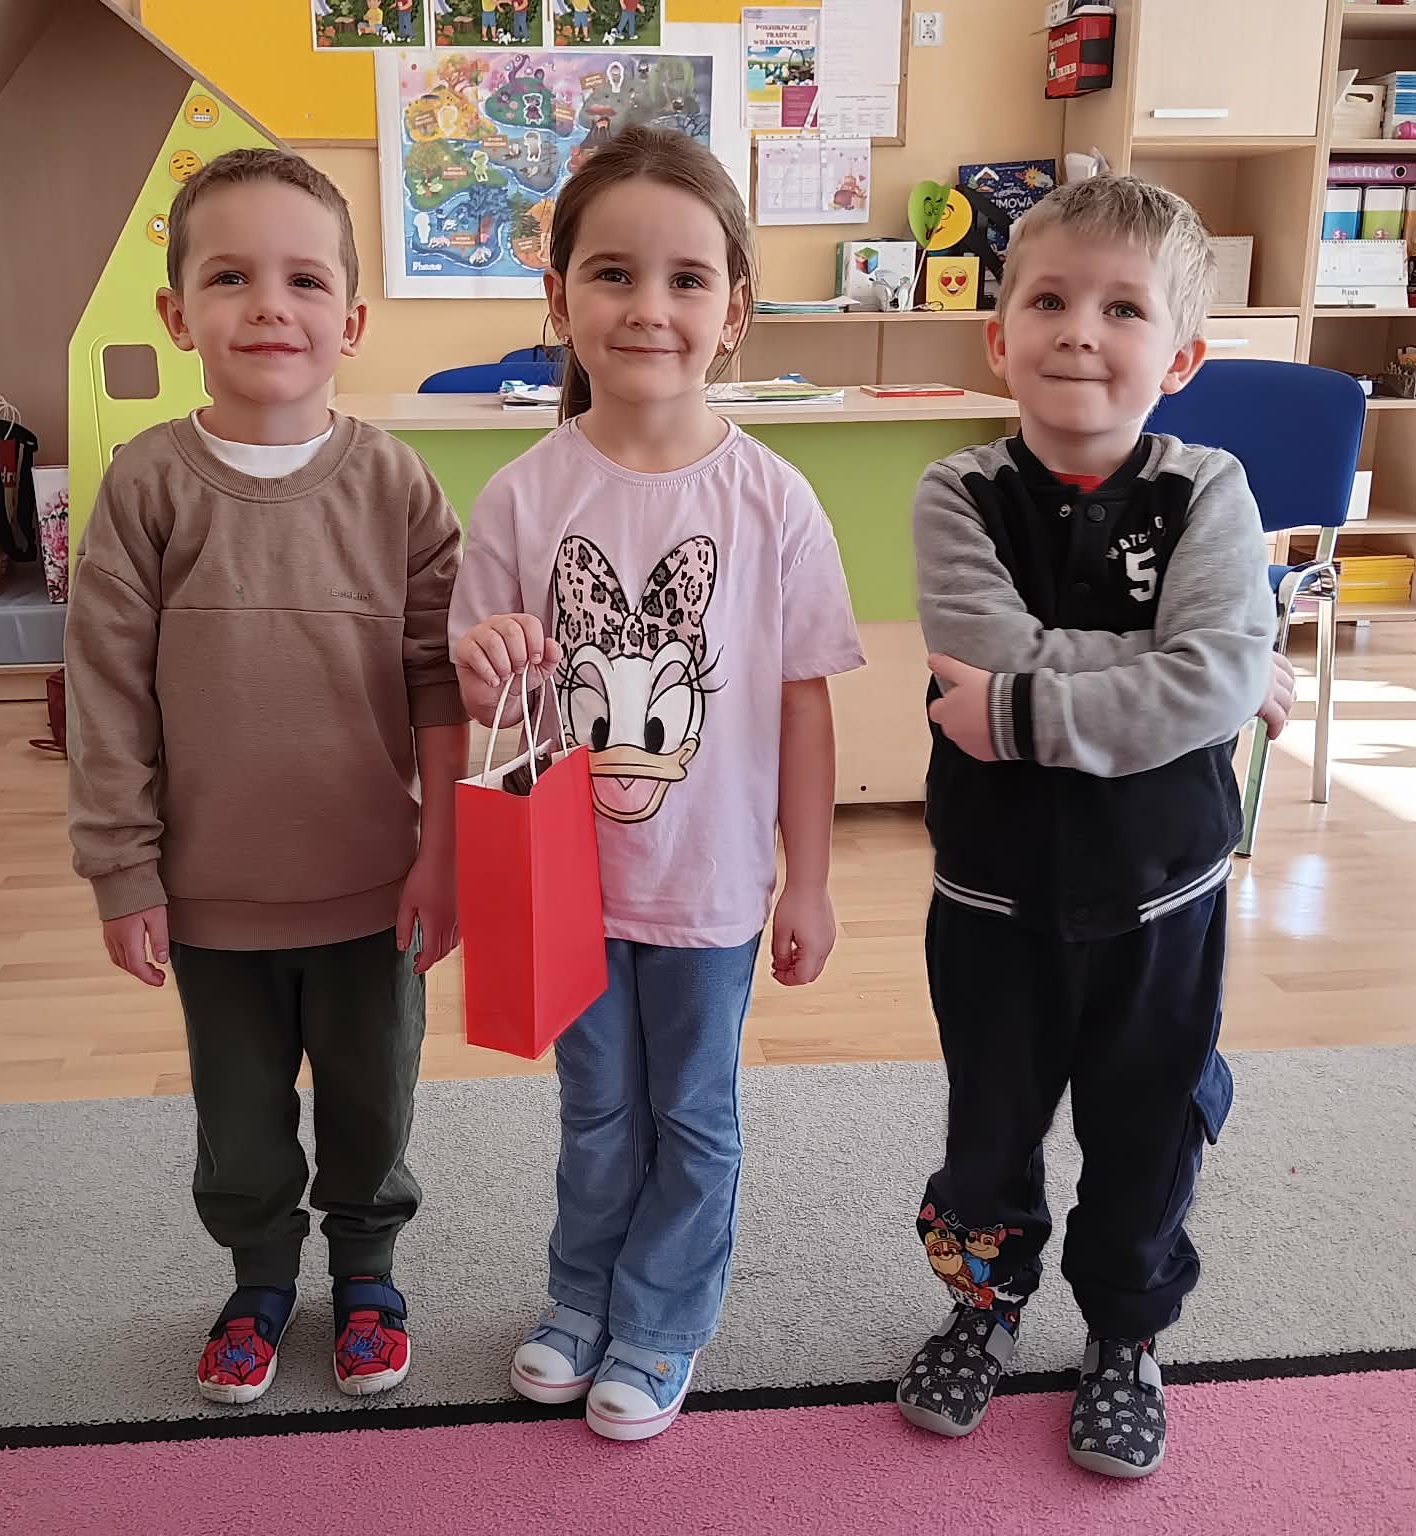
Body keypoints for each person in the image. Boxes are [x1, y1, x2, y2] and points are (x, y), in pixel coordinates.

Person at [450, 126, 863, 1443]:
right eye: (613, 274)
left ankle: (664, 1318)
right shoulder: (519, 499)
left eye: (686, 279)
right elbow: (485, 706)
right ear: (558, 298)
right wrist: (486, 663)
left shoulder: (773, 502)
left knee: (691, 1116)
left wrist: (811, 882)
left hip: (711, 886)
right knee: (596, 1112)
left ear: (733, 311)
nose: (648, 307)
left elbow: (803, 704)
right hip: (567, 882)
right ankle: (582, 1299)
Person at [897, 174, 1297, 1479]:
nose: (1079, 330)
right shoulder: (956, 494)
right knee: (986, 1136)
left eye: (1123, 308)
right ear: (996, 334)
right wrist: (1179, 672)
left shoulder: (1210, 490)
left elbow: (1201, 683)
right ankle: (984, 1304)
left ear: (1178, 356)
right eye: (1050, 300)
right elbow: (1001, 646)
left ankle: (1124, 1336)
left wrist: (1020, 710)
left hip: (1161, 899)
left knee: (1148, 1132)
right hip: (993, 899)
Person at [65, 149, 467, 1407]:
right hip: (211, 899)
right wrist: (122, 870)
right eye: (229, 277)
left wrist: (445, 854)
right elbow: (105, 696)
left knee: (371, 1107)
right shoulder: (145, 486)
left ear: (351, 320)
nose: (268, 307)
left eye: (303, 280)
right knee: (237, 1122)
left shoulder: (395, 483)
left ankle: (367, 1274)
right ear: (177, 313)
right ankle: (257, 1282)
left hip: (371, 892)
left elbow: (441, 681)